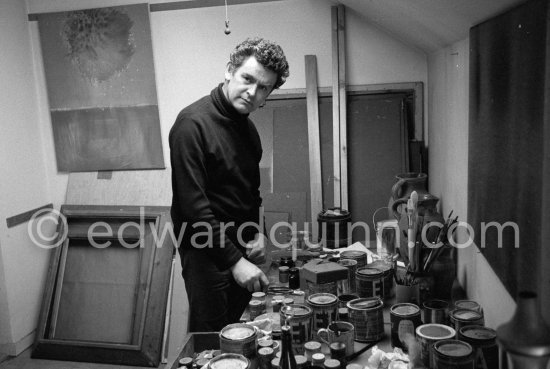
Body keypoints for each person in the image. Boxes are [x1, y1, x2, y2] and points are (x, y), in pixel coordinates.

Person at [169, 37, 290, 332]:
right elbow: (193, 209)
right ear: (229, 71)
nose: (252, 93)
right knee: (212, 340)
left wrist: (257, 234)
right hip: (204, 249)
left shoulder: (248, 130)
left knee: (244, 330)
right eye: (247, 79)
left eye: (263, 88)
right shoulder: (191, 125)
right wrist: (235, 262)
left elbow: (250, 196)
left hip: (240, 249)